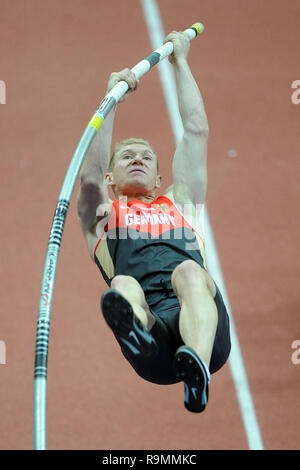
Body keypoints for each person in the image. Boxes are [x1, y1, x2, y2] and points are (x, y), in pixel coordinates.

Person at [76, 31, 231, 413]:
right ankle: (136, 334)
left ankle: (196, 371)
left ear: (161, 179)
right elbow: (90, 177)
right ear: (112, 179)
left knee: (189, 273)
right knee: (124, 284)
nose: (138, 159)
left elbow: (196, 132)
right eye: (126, 156)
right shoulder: (104, 218)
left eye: (146, 156)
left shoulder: (181, 203)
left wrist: (181, 62)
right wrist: (109, 102)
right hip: (155, 344)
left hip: (206, 332)